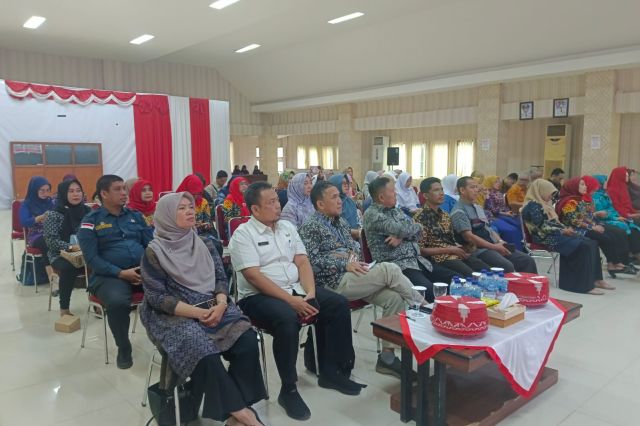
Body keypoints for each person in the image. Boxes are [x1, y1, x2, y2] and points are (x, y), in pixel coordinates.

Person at [229, 182, 364, 421]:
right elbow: (253, 276)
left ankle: (331, 371)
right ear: (255, 209)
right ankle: (288, 389)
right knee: (287, 319)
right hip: (258, 297)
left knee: (336, 303)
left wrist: (310, 292)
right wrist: (292, 301)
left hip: (296, 288)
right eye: (270, 202)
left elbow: (302, 261)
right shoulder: (243, 234)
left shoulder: (288, 227)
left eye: (277, 200)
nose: (277, 205)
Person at [140, 192, 266, 426]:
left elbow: (220, 278)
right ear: (167, 215)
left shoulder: (206, 243)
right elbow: (158, 298)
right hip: (173, 315)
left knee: (247, 340)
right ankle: (242, 413)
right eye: (182, 208)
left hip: (211, 303)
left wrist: (220, 304)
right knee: (203, 350)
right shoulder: (154, 251)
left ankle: (235, 412)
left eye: (191, 207)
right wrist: (199, 313)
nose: (190, 211)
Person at [300, 181, 425, 378]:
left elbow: (355, 249)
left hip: (354, 275)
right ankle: (424, 307)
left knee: (395, 299)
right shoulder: (310, 227)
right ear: (320, 204)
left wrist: (347, 257)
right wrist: (343, 262)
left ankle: (387, 357)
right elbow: (310, 261)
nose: (340, 200)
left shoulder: (340, 222)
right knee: (390, 269)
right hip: (332, 282)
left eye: (339, 196)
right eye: (333, 197)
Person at [77, 175, 153, 369]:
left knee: (173, 289)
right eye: (118, 189)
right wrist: (120, 273)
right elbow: (92, 259)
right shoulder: (90, 221)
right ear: (104, 194)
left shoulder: (135, 216)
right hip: (109, 276)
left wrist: (149, 267)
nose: (124, 193)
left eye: (124, 189)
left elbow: (151, 244)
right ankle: (123, 346)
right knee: (118, 302)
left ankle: (169, 339)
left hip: (141, 270)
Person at [362, 177, 457, 301]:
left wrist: (400, 237)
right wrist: (404, 233)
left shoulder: (396, 210)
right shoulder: (373, 214)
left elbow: (419, 230)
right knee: (432, 292)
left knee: (456, 281)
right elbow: (405, 228)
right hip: (397, 266)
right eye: (392, 191)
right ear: (381, 197)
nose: (396, 193)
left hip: (418, 261)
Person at [521, 179, 609, 295]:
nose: (551, 197)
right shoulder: (532, 206)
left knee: (591, 243)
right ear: (541, 191)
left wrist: (563, 229)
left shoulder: (543, 204)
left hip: (554, 234)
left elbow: (554, 223)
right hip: (544, 238)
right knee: (582, 246)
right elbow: (541, 227)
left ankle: (596, 279)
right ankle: (579, 285)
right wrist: (563, 230)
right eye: (549, 193)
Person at [450, 177, 538, 273]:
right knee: (506, 266)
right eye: (472, 187)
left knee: (527, 260)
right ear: (462, 190)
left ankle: (529, 286)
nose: (476, 190)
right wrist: (494, 247)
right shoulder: (458, 211)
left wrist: (500, 241)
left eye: (476, 187)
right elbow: (469, 237)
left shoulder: (477, 207)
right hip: (478, 250)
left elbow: (488, 228)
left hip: (492, 244)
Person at [556, 177, 634, 278]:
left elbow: (585, 216)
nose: (585, 187)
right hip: (574, 229)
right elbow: (574, 221)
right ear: (574, 187)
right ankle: (613, 263)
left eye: (585, 184)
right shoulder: (569, 202)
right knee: (603, 237)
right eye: (582, 184)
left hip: (583, 227)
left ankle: (613, 263)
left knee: (608, 235)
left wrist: (594, 224)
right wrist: (592, 227)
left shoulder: (578, 200)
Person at [415, 178, 491, 276]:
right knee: (471, 276)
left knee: (487, 271)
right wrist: (450, 249)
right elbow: (420, 250)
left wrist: (462, 248)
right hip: (438, 259)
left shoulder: (445, 215)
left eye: (442, 189)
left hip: (455, 254)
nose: (441, 193)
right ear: (425, 195)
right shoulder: (420, 218)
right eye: (436, 190)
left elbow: (450, 240)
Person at [43, 178, 90, 316]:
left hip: (86, 252)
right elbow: (51, 242)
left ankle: (98, 302)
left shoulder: (88, 212)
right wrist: (71, 247)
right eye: (71, 191)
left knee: (100, 263)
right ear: (63, 194)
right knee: (69, 267)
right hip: (60, 254)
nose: (76, 194)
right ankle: (64, 308)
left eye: (78, 190)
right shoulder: (53, 215)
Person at [593, 174, 640, 265]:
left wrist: (619, 216)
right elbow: (601, 213)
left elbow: (613, 209)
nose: (606, 182)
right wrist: (617, 217)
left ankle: (633, 255)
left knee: (633, 228)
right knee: (624, 228)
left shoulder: (604, 194)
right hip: (605, 220)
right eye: (604, 181)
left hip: (614, 217)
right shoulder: (596, 197)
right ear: (599, 183)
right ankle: (625, 258)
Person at [483, 175, 524, 251]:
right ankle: (514, 250)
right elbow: (491, 209)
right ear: (490, 183)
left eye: (499, 182)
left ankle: (522, 248)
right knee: (511, 230)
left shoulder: (499, 193)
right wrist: (505, 213)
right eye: (496, 182)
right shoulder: (487, 194)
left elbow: (504, 206)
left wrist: (508, 211)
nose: (498, 183)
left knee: (519, 225)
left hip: (502, 214)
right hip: (494, 216)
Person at [19, 176, 55, 258]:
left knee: (65, 240)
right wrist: (38, 218)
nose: (45, 193)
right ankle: (48, 269)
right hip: (36, 235)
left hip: (52, 233)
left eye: (47, 190)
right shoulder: (27, 204)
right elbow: (24, 222)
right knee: (49, 243)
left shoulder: (51, 202)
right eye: (42, 190)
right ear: (35, 190)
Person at [328, 174, 361, 239]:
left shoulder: (350, 201)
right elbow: (334, 227)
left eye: (347, 182)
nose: (346, 185)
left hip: (356, 239)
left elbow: (357, 220)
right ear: (335, 184)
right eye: (343, 183)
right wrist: (356, 232)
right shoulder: (331, 204)